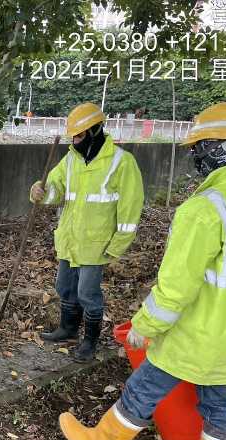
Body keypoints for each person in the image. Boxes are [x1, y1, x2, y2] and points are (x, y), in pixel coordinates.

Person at [58, 102, 226, 440]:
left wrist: (146, 326)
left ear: (219, 149)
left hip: (200, 334)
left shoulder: (205, 210)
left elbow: (175, 289)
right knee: (220, 404)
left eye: (200, 148)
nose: (196, 156)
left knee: (144, 388)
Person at [30, 102, 144, 361]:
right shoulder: (71, 159)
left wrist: (117, 245)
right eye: (73, 136)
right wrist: (41, 190)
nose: (75, 140)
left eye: (79, 135)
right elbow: (55, 188)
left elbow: (130, 209)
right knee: (64, 287)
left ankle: (90, 340)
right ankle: (68, 329)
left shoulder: (121, 162)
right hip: (70, 240)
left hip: (96, 244)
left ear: (94, 131)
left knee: (88, 294)